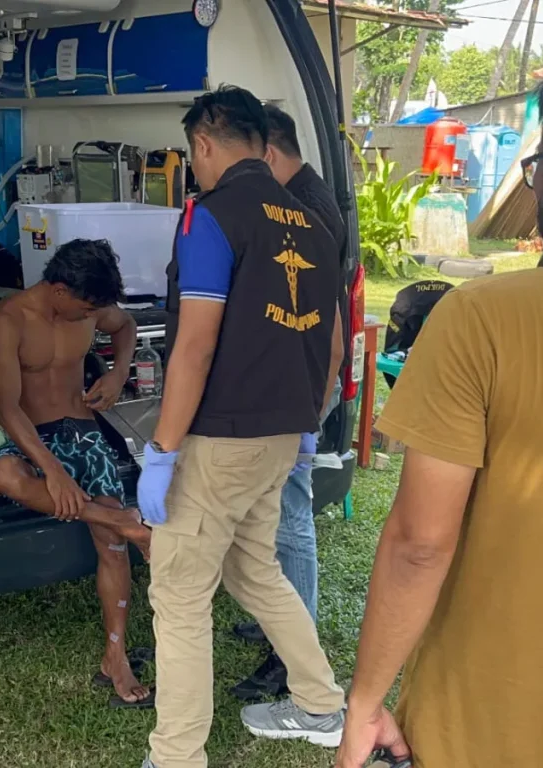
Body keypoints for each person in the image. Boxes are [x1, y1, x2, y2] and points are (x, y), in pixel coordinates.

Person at [336, 54, 543, 768]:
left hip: (490, 725)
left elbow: (422, 541)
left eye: (536, 162)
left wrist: (363, 703)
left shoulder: (485, 320)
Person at [137, 86, 346, 768]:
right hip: (283, 431)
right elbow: (332, 343)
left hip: (221, 436)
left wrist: (163, 449)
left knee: (179, 593)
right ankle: (319, 703)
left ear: (203, 144)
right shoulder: (315, 222)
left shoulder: (211, 215)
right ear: (262, 141)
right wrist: (308, 423)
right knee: (255, 569)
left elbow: (194, 346)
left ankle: (176, 756)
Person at [0, 238, 152, 707]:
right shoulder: (8, 320)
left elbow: (126, 326)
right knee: (4, 476)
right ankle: (125, 520)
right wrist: (52, 471)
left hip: (82, 429)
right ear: (58, 289)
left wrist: (118, 374)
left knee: (113, 548)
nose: (90, 319)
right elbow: (7, 407)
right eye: (83, 310)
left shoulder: (91, 306)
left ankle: (114, 656)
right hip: (33, 434)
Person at [231, 104, 346, 701]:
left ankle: (290, 657)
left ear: (269, 153)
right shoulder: (304, 195)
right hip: (299, 387)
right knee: (274, 516)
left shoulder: (307, 212)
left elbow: (330, 338)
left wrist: (310, 413)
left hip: (304, 390)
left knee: (292, 520)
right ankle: (278, 620)